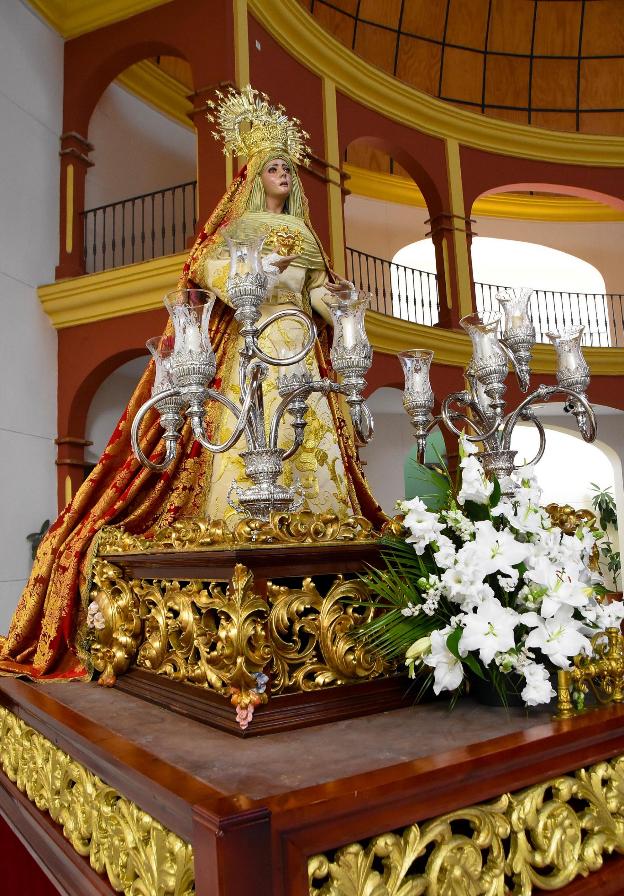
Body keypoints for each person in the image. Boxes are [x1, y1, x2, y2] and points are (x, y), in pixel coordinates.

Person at [0, 85, 384, 682]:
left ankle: (317, 536)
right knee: (246, 427)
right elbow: (207, 271)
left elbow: (311, 291)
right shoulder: (237, 228)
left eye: (289, 166)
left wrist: (338, 306)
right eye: (274, 166)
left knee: (309, 434)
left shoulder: (307, 236)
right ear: (257, 176)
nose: (284, 174)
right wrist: (255, 272)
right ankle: (242, 533)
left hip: (299, 348)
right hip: (248, 344)